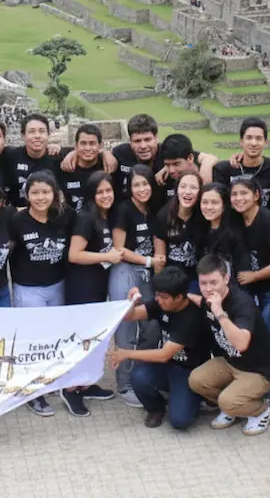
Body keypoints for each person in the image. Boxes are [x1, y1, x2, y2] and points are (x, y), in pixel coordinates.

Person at [187, 255, 270, 435]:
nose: (208, 289)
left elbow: (242, 344)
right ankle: (233, 408)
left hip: (259, 370)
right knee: (196, 380)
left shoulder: (241, 303)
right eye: (203, 283)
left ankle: (262, 409)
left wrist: (219, 312)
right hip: (231, 363)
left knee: (227, 400)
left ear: (226, 279)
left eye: (214, 282)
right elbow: (196, 300)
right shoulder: (208, 299)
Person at [108, 266, 210, 429]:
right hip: (166, 366)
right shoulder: (162, 303)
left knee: (180, 421)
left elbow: (163, 354)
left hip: (188, 372)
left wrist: (125, 353)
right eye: (156, 295)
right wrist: (131, 302)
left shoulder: (191, 318)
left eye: (163, 297)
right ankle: (156, 408)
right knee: (139, 376)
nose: (158, 299)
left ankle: (194, 397)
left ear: (179, 297)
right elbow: (129, 316)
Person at [8, 171, 71, 417]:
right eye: (35, 192)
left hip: (58, 285)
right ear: (27, 195)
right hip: (28, 288)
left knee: (54, 338)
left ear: (55, 194)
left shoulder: (64, 217)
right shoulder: (16, 221)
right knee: (33, 340)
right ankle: (32, 393)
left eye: (46, 192)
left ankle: (49, 380)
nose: (41, 197)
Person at [62, 170, 124, 415]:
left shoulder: (106, 215)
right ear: (91, 194)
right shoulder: (86, 217)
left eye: (108, 190)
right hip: (81, 285)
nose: (105, 195)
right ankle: (69, 390)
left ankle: (85, 384)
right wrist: (107, 256)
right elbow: (74, 254)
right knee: (80, 338)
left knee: (93, 338)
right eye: (100, 192)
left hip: (98, 284)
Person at [229, 176, 270, 409]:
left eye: (244, 194)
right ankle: (254, 383)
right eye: (234, 194)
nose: (238, 199)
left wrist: (253, 276)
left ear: (257, 195)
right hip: (250, 292)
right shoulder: (236, 219)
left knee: (267, 339)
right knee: (254, 339)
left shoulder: (268, 219)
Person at [109, 164, 163, 407]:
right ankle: (124, 384)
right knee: (127, 329)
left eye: (145, 183)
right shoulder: (123, 210)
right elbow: (119, 249)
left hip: (148, 274)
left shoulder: (154, 209)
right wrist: (149, 260)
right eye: (136, 184)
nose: (141, 189)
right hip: (126, 271)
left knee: (151, 326)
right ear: (129, 188)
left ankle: (143, 376)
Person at [216, 118, 270, 208]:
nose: (253, 143)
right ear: (241, 141)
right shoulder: (224, 169)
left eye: (259, 138)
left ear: (265, 142)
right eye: (249, 138)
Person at [153, 171, 204, 280]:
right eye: (183, 187)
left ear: (200, 192)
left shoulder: (203, 215)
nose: (188, 192)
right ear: (176, 190)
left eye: (194, 187)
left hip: (197, 275)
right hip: (171, 276)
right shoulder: (163, 216)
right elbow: (159, 257)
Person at [197, 182, 249, 277]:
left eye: (214, 202)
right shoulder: (199, 228)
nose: (208, 207)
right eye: (204, 202)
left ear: (224, 205)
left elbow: (242, 270)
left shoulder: (235, 232)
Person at [157, 133, 218, 210]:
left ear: (190, 158)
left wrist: (208, 162)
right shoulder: (164, 178)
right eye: (167, 165)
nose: (171, 170)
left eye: (176, 164)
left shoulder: (212, 173)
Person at [58, 123, 110, 212]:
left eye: (92, 143)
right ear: (76, 146)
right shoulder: (65, 166)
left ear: (100, 146)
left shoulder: (106, 166)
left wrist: (107, 153)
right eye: (83, 143)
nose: (87, 148)